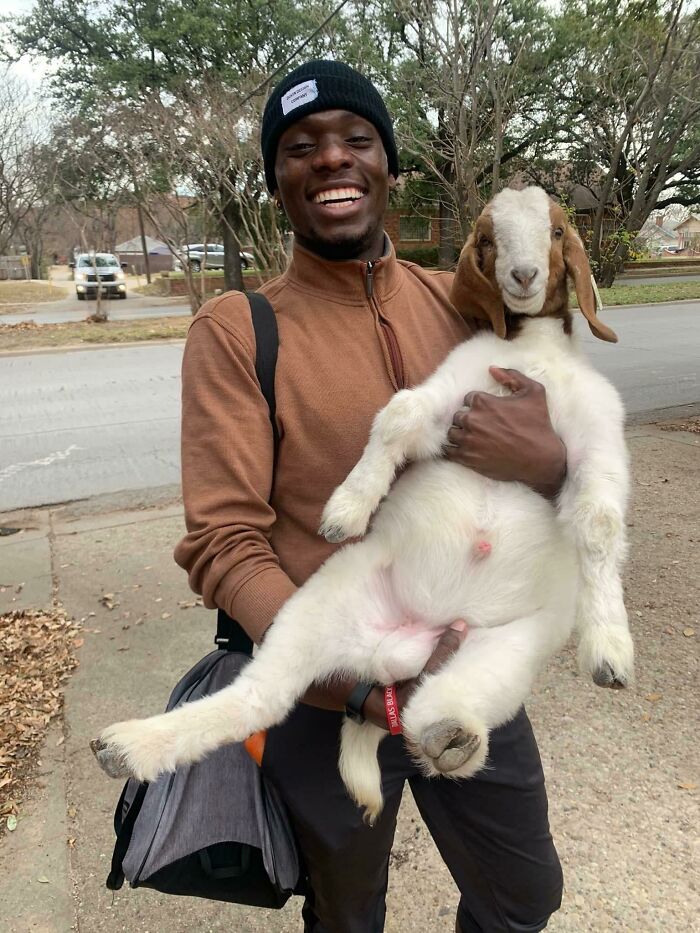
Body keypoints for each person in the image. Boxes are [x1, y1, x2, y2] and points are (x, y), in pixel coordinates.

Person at [175, 60, 566, 933]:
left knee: (524, 893)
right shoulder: (240, 331)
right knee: (348, 911)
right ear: (276, 179)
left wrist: (549, 462)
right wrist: (355, 679)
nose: (331, 160)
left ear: (388, 165)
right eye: (301, 147)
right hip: (330, 697)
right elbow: (225, 541)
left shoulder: (458, 302)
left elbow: (553, 460)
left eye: (356, 140)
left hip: (467, 678)